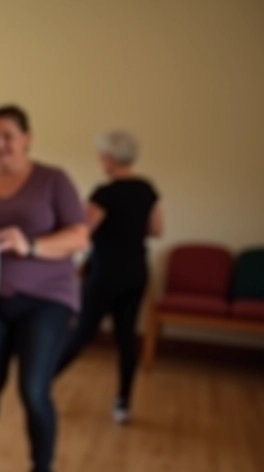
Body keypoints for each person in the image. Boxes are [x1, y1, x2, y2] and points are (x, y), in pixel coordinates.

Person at [0, 104, 89, 472]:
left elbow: (79, 236)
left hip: (47, 300)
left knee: (33, 389)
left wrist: (33, 246)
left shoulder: (52, 180)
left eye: (7, 135)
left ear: (27, 138)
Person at [56, 130, 163, 424]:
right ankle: (123, 404)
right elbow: (156, 229)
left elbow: (82, 231)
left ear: (110, 158)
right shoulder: (146, 189)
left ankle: (40, 384)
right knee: (127, 336)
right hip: (137, 271)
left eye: (102, 154)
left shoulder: (106, 194)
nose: (101, 159)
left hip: (106, 273)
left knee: (82, 332)